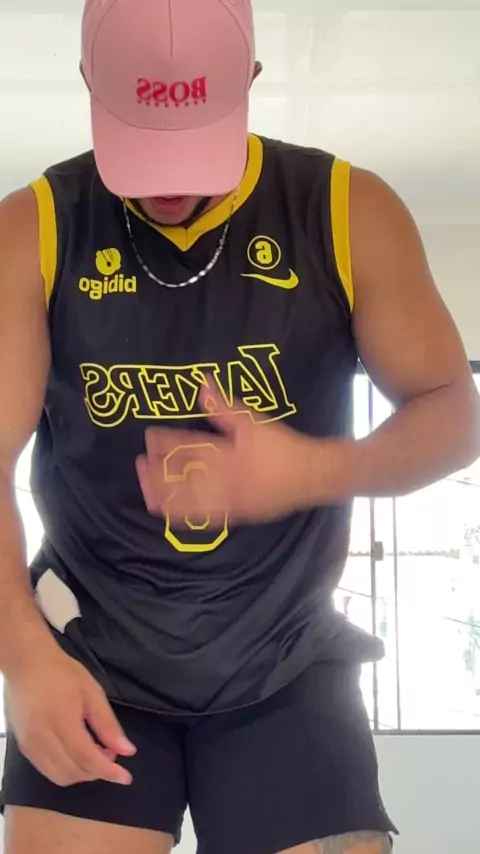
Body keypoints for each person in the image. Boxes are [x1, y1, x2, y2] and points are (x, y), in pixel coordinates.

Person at [0, 0, 478, 852]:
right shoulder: (31, 230)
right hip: (86, 656)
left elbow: (453, 410)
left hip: (288, 661)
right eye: (143, 142)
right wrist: (23, 656)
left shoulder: (348, 209)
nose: (167, 182)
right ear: (89, 85)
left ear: (250, 82)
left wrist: (310, 472)